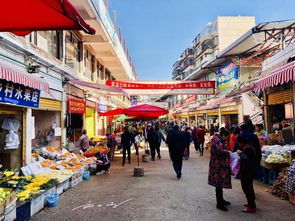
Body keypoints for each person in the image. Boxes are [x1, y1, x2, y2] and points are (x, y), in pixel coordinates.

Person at [208, 129, 232, 211]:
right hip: (217, 166)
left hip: (219, 165)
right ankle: (219, 203)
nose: (226, 140)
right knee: (218, 184)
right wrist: (229, 152)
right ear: (223, 135)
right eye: (227, 138)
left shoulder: (217, 138)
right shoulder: (217, 140)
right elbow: (220, 151)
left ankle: (221, 200)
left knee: (220, 184)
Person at [236, 135, 257, 213]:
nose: (238, 144)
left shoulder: (248, 149)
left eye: (238, 142)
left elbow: (246, 158)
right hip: (247, 170)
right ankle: (250, 203)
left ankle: (251, 206)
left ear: (242, 142)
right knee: (247, 187)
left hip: (248, 171)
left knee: (247, 188)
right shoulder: (248, 147)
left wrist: (240, 153)